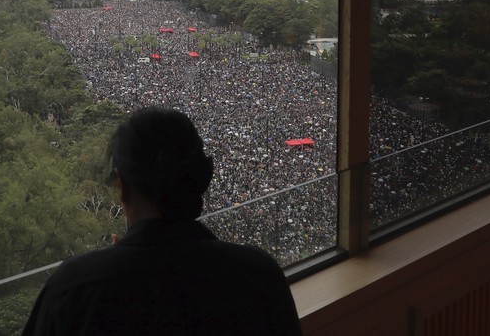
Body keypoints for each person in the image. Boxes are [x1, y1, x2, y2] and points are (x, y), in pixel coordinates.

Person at [22, 107, 302, 335]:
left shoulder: (73, 289)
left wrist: (110, 263)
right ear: (200, 180)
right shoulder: (259, 276)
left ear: (121, 185)